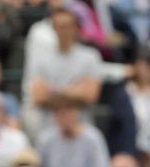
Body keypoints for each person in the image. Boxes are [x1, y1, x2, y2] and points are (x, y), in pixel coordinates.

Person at [21, 6, 103, 139]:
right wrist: (76, 91)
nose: (63, 31)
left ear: (76, 28)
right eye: (59, 26)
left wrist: (54, 91)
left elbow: (90, 95)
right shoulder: (41, 60)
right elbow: (39, 96)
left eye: (67, 26)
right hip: (48, 133)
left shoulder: (90, 57)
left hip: (82, 133)